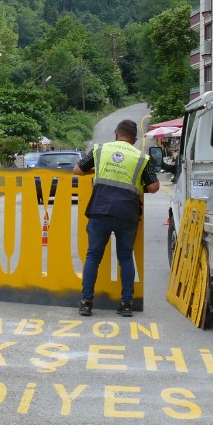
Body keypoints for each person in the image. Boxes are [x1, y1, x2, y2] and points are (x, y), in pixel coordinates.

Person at [73, 119, 163, 317]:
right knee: (125, 257)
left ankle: (86, 302)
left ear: (116, 133)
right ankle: (126, 304)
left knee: (93, 256)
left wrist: (96, 170)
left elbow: (77, 170)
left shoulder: (100, 150)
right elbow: (154, 187)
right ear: (134, 139)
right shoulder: (141, 158)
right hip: (127, 212)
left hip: (100, 209)